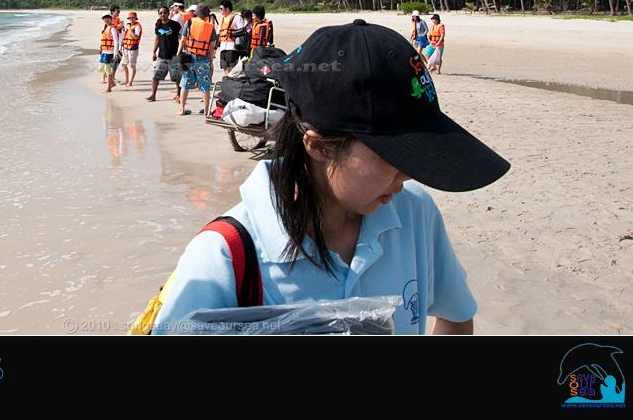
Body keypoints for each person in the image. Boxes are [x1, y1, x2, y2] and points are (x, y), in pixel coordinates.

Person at [152, 20, 511, 335]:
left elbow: (456, 316)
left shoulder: (415, 215)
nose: (408, 175)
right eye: (395, 157)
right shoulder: (225, 257)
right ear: (319, 146)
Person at [178, 4, 217, 116]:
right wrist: (211, 62)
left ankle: (182, 108)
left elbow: (182, 40)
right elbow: (211, 47)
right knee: (205, 85)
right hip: (203, 59)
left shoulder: (189, 22)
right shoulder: (210, 27)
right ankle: (206, 110)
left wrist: (178, 53)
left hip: (189, 57)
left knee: (185, 83)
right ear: (206, 15)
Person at [147, 6, 182, 103]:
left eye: (165, 13)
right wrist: (154, 52)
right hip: (161, 56)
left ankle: (178, 95)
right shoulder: (158, 25)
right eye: (161, 13)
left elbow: (180, 39)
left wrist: (180, 52)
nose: (163, 14)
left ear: (168, 13)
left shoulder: (175, 25)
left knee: (176, 78)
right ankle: (153, 95)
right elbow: (157, 39)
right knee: (155, 76)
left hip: (174, 56)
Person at [217, 0, 246, 75]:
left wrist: (230, 34)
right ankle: (227, 83)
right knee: (224, 67)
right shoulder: (222, 19)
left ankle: (231, 83)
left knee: (232, 67)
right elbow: (218, 33)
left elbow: (243, 30)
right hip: (223, 46)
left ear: (227, 8)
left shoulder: (236, 17)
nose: (220, 10)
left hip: (232, 47)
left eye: (221, 9)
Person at [99, 13, 121, 92]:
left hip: (110, 53)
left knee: (108, 71)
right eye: (104, 18)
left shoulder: (112, 28)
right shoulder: (106, 28)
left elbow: (116, 41)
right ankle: (112, 83)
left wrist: (115, 53)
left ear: (111, 19)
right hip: (105, 52)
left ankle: (109, 88)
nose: (106, 20)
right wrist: (101, 51)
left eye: (108, 18)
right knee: (103, 69)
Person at [120, 11, 143, 86]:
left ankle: (130, 82)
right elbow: (124, 35)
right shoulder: (129, 26)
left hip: (133, 48)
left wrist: (129, 29)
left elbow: (135, 37)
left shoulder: (137, 26)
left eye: (133, 18)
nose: (131, 19)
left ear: (135, 18)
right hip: (126, 47)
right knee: (123, 64)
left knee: (132, 65)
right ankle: (126, 80)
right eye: (130, 18)